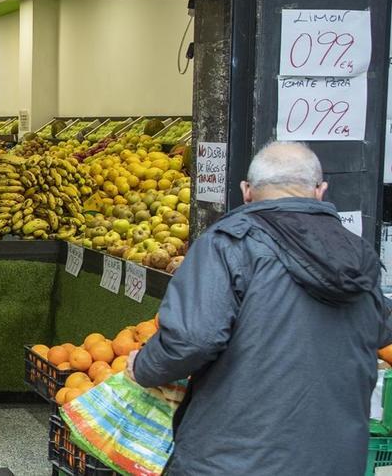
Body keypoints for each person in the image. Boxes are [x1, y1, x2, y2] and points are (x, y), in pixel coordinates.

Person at [128, 141, 391, 475]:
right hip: (335, 460)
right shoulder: (358, 255)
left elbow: (193, 338)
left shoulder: (229, 243)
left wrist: (144, 367)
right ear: (321, 191)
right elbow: (379, 333)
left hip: (234, 459)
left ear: (246, 191)